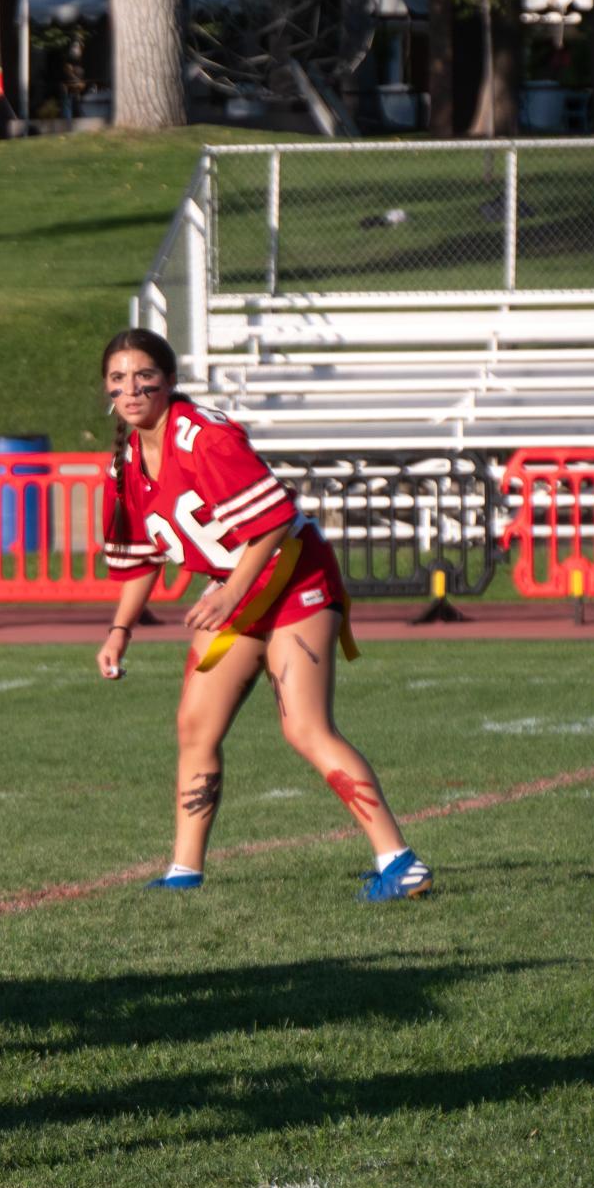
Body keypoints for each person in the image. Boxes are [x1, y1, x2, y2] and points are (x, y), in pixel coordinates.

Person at [94, 328, 433, 901]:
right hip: (235, 587)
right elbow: (141, 556)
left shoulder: (204, 436)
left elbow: (275, 518)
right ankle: (184, 870)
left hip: (292, 575)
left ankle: (400, 862)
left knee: (304, 726)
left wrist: (229, 594)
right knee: (195, 727)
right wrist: (120, 630)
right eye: (118, 379)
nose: (132, 388)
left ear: (169, 381)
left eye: (144, 376)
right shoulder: (125, 459)